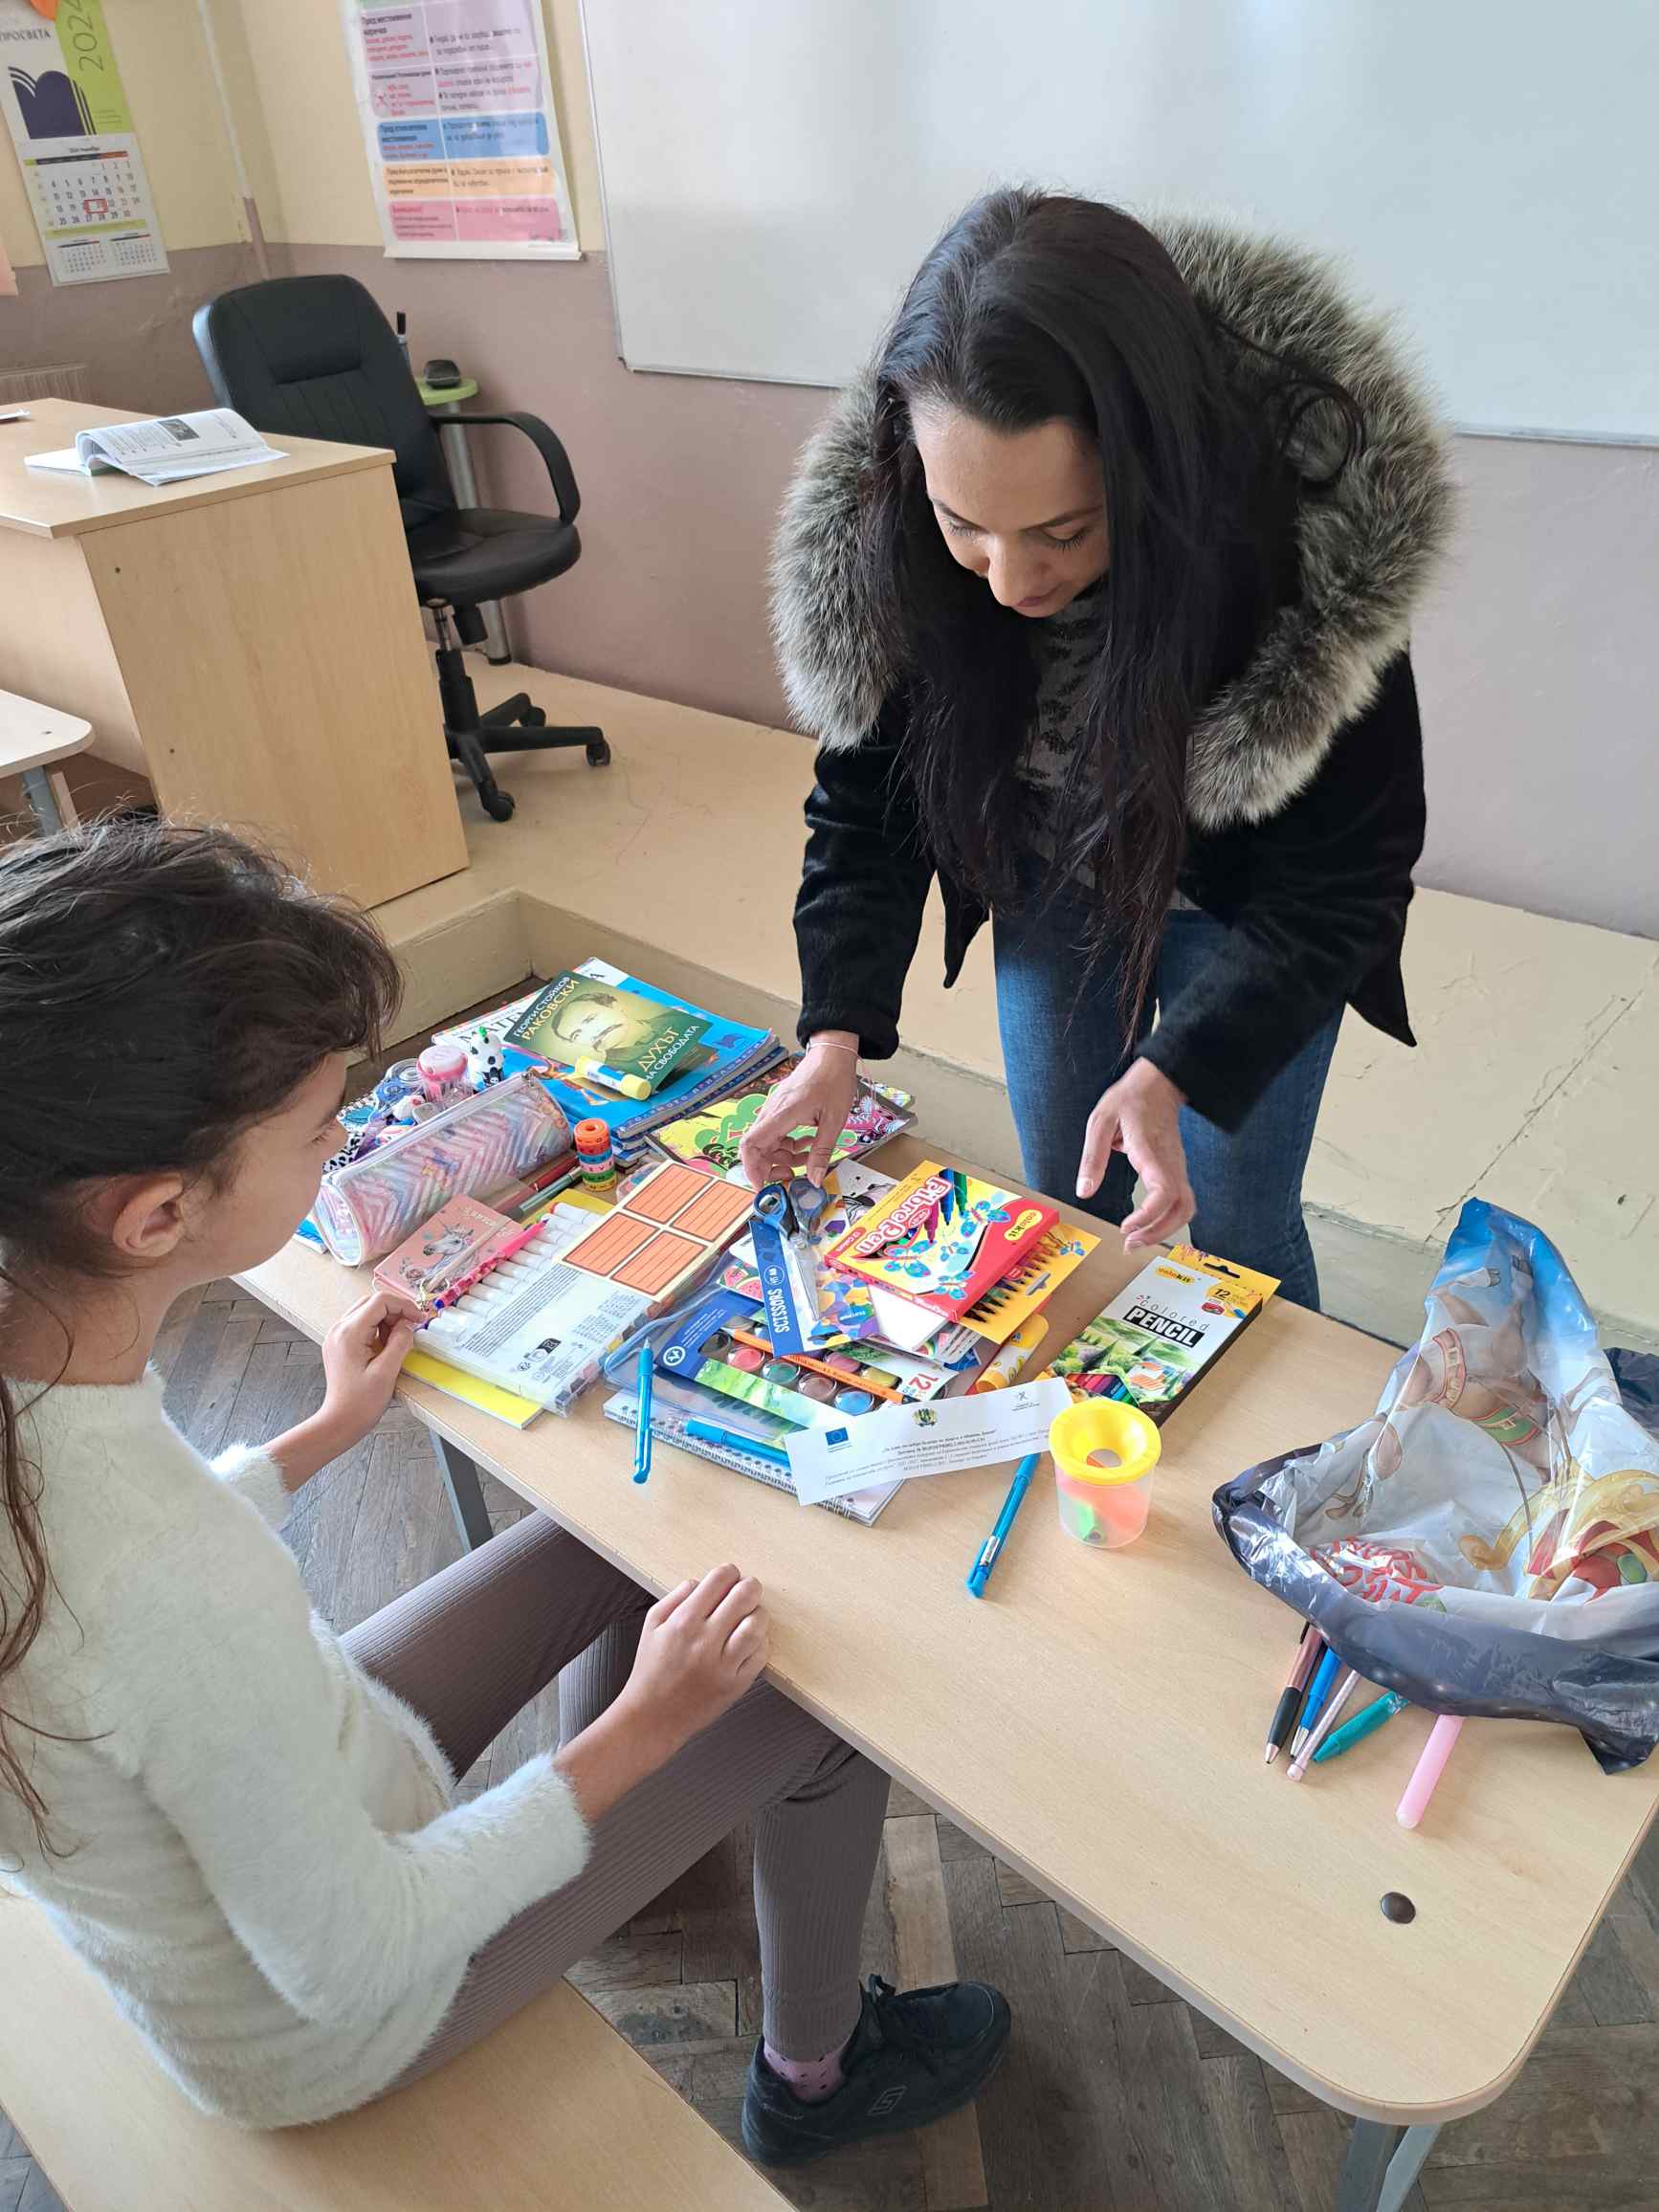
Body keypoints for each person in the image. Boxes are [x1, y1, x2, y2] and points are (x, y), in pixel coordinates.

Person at [0, 821, 1008, 2160]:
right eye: (318, 1127)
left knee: (606, 1541)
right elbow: (353, 1956)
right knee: (821, 1714)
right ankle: (816, 2077)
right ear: (156, 1216)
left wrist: (319, 1435)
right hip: (335, 2012)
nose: (345, 1140)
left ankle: (622, 1850)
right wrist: (648, 1725)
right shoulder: (163, 1589)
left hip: (301, 1795)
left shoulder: (51, 1394)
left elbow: (132, 1592)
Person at [741, 190, 1455, 1311]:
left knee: (1240, 1227)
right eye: (965, 527)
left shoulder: (1303, 539)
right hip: (1050, 879)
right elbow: (869, 801)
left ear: (1156, 466)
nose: (1010, 582)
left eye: (1063, 532)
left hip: (1250, 916)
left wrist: (1181, 1066)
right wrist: (834, 1036)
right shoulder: (898, 522)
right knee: (1066, 1195)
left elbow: (1346, 878)